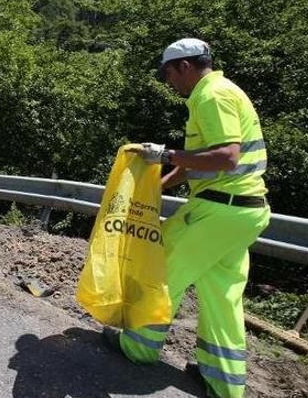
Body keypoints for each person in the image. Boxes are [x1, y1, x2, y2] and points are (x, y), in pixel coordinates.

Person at [104, 38, 270, 398]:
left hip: (218, 210)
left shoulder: (212, 96)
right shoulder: (221, 92)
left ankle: (138, 347)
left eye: (168, 74)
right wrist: (158, 187)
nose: (168, 83)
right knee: (221, 296)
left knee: (159, 269)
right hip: (244, 212)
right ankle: (223, 383)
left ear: (184, 66)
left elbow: (226, 157)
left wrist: (164, 155)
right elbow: (199, 161)